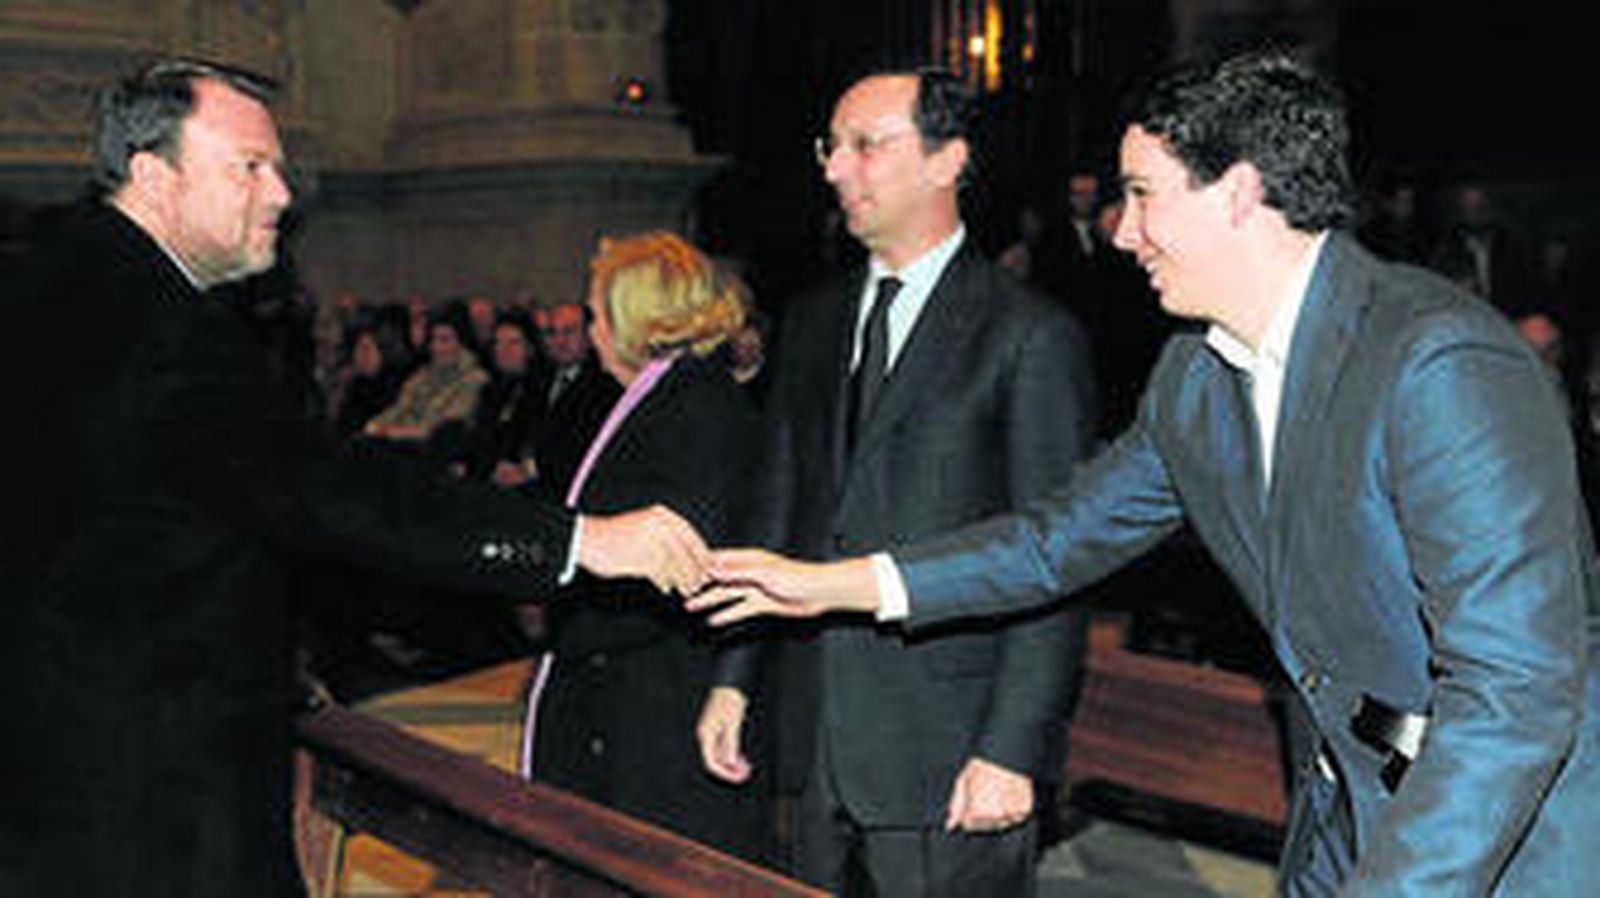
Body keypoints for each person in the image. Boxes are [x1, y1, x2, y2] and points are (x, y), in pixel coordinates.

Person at [696, 51, 1600, 897]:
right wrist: (837, 585)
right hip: (1350, 812)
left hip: (1511, 843)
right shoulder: (1196, 379)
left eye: (1140, 195)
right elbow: (1053, 541)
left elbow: (1514, 699)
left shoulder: (1437, 364)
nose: (1120, 232)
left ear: (1241, 192)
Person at [0, 58, 710, 897]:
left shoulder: (48, 284)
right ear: (155, 176)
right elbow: (336, 493)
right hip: (148, 792)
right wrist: (579, 540)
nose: (282, 195)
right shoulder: (156, 327)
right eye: (250, 167)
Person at [697, 68, 1096, 896]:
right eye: (831, 147)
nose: (837, 168)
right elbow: (778, 508)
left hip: (949, 749)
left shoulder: (1029, 334)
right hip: (812, 737)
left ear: (948, 160)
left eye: (866, 146)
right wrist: (735, 678)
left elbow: (1056, 561)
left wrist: (1012, 749)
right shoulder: (810, 320)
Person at [523, 230, 771, 862]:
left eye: (599, 313)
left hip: (657, 705)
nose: (593, 329)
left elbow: (683, 558)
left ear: (640, 318)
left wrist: (572, 603)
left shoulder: (699, 410)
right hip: (624, 690)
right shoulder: (660, 395)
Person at [529, 301, 621, 499]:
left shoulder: (605, 385)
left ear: (589, 336)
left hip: (570, 492)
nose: (559, 341)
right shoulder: (538, 377)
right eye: (551, 333)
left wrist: (531, 469)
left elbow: (583, 451)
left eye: (569, 332)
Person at [362, 302, 489, 444]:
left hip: (428, 451)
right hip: (398, 443)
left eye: (445, 340)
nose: (437, 347)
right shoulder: (422, 375)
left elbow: (445, 430)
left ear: (461, 343)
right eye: (433, 339)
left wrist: (394, 433)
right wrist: (376, 425)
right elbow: (399, 408)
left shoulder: (473, 380)